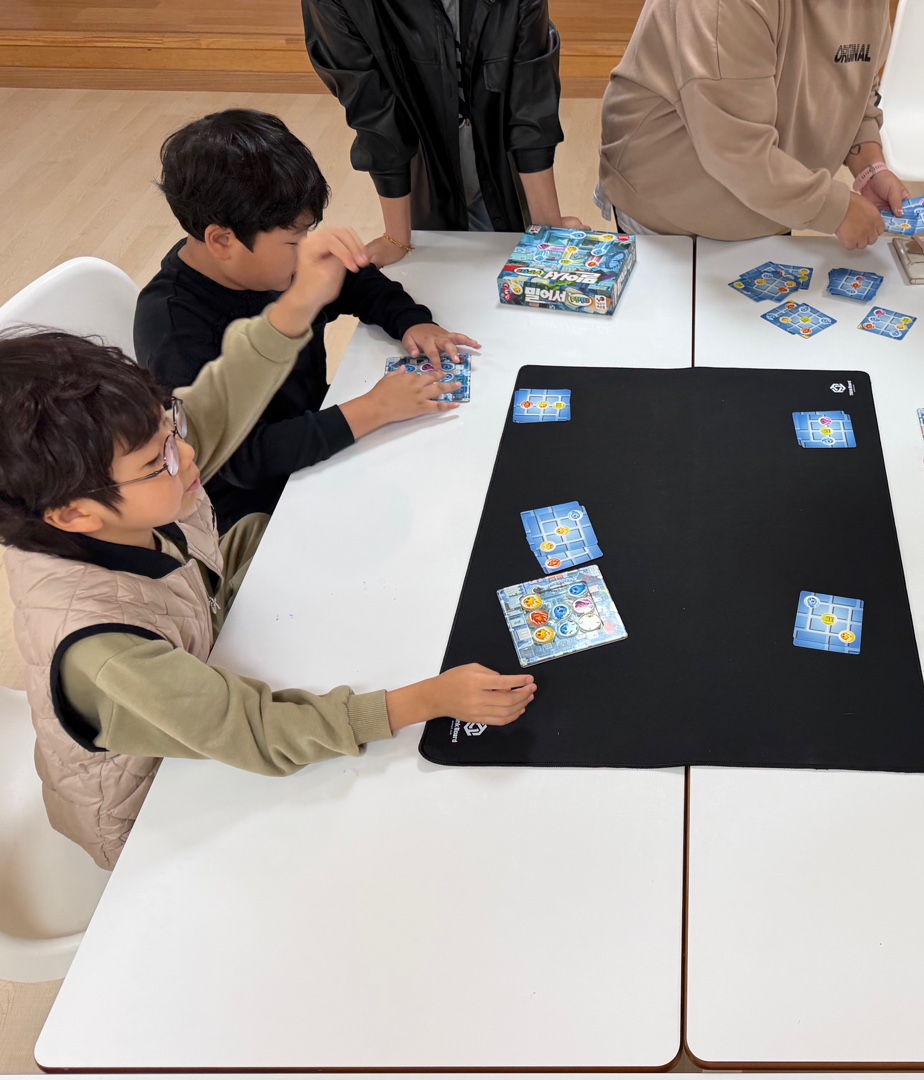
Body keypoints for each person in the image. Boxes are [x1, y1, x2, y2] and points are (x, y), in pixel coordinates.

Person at [0, 227, 535, 871]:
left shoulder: (119, 491)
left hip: (204, 656)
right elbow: (255, 733)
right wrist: (424, 701)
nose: (188, 454)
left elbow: (214, 405)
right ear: (74, 514)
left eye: (170, 430)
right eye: (157, 460)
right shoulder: (105, 654)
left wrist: (300, 302)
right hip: (155, 812)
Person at [135, 109, 479, 532]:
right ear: (222, 240)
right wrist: (374, 408)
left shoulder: (265, 262)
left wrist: (411, 321)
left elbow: (355, 281)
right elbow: (243, 460)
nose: (308, 252)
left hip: (323, 441)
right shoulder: (173, 329)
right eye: (295, 240)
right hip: (259, 509)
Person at [595, 0, 912, 249]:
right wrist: (834, 209)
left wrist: (869, 165)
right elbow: (734, 148)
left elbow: (856, 82)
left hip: (771, 206)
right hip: (667, 219)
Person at [303, 0, 581, 266]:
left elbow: (529, 102)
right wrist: (397, 237)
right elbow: (375, 114)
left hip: (502, 164)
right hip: (425, 177)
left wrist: (548, 230)